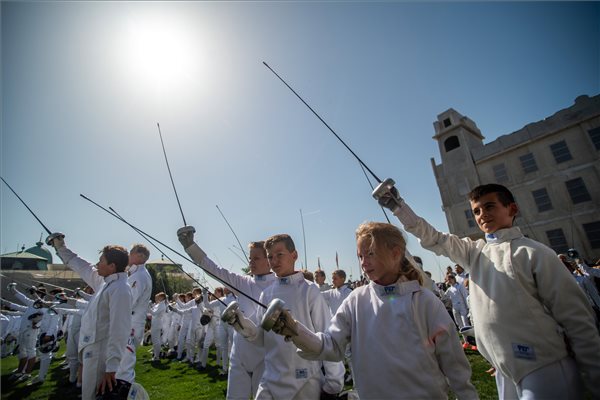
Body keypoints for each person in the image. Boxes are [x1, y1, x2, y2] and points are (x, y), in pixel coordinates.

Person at [374, 181, 600, 399]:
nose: (482, 214)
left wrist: (595, 377)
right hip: (504, 369)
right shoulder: (475, 252)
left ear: (512, 209)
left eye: (489, 206)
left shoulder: (535, 253)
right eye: (476, 211)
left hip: (544, 367)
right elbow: (435, 238)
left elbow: (576, 318)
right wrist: (398, 207)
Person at [265, 223, 477, 399]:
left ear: (396, 253)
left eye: (371, 254)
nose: (364, 263)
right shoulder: (357, 299)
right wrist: (294, 331)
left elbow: (456, 369)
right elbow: (331, 346)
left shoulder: (424, 302)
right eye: (360, 256)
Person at [223, 234, 345, 400]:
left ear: (294, 255)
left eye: (279, 255)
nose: (274, 261)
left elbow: (327, 337)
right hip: (271, 379)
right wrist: (245, 327)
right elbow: (262, 339)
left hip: (305, 380)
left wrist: (333, 384)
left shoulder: (309, 290)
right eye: (270, 257)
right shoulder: (266, 294)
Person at [177, 227, 276, 400]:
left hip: (265, 358)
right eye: (249, 258)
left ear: (269, 260)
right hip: (239, 356)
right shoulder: (243, 282)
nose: (251, 262)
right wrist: (190, 246)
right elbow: (214, 269)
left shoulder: (278, 286)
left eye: (256, 258)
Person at [49, 234, 133, 400]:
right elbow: (83, 266)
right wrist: (61, 248)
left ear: (112, 266)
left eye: (101, 261)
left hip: (101, 353)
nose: (97, 264)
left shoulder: (121, 289)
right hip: (92, 349)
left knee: (91, 396)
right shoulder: (105, 282)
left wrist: (112, 366)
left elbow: (120, 329)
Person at [117, 244, 152, 384]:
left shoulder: (140, 276)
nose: (128, 256)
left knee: (123, 367)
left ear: (139, 256)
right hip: (131, 322)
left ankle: (121, 393)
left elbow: (129, 302)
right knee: (119, 364)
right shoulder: (137, 274)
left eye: (130, 253)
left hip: (131, 324)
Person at [149, 292, 168, 361]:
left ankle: (156, 356)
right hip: (155, 323)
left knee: (156, 341)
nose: (158, 298)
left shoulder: (162, 305)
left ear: (162, 297)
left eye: (159, 297)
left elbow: (154, 313)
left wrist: (148, 307)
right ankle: (155, 354)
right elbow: (153, 311)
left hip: (157, 324)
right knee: (155, 341)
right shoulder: (160, 304)